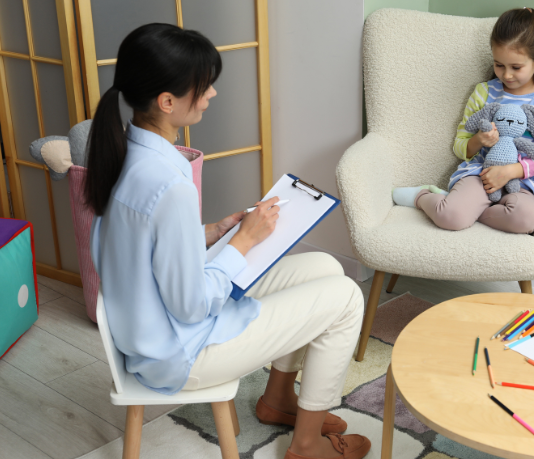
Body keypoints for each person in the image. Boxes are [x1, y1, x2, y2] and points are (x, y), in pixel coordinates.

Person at [86, 23, 370, 459]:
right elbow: (191, 305)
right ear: (167, 102)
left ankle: (279, 400)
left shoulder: (129, 154)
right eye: (203, 87)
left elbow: (145, 247)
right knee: (347, 297)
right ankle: (307, 446)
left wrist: (213, 233)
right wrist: (243, 243)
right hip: (179, 352)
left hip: (153, 330)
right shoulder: (167, 184)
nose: (212, 95)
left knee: (326, 268)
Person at [392, 7, 534, 234]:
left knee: (525, 219)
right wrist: (479, 140)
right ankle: (423, 196)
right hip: (479, 174)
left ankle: (460, 206)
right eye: (499, 65)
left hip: (521, 181)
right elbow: (460, 145)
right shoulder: (484, 92)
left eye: (516, 67)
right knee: (451, 217)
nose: (506, 75)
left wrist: (511, 171)